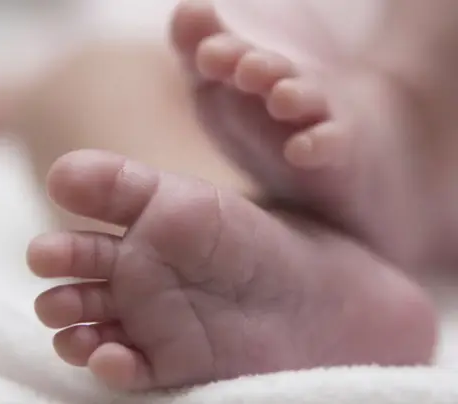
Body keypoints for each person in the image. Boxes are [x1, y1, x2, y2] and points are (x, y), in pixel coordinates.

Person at [27, 0, 453, 390]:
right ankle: (271, 241)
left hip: (356, 105)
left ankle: (397, 128)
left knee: (93, 79)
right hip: (331, 114)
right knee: (91, 83)